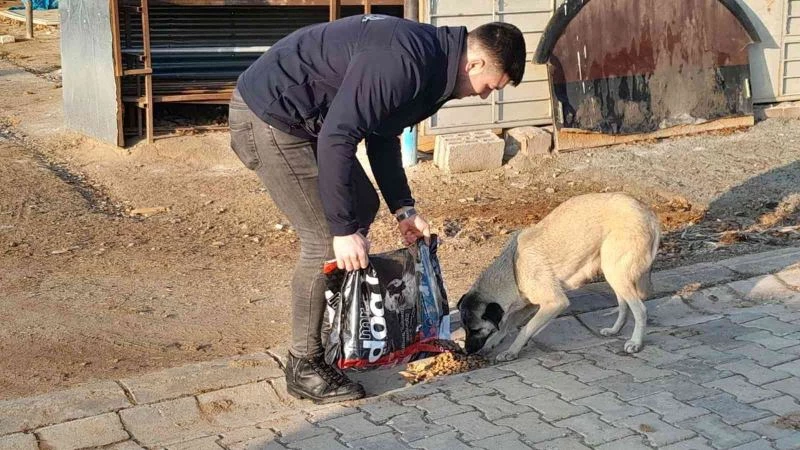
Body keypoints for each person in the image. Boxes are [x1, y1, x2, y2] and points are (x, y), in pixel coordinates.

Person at [228, 13, 526, 404]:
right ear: (475, 63)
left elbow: (382, 135)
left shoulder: (433, 69)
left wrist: (404, 208)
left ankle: (327, 332)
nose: (486, 95)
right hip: (271, 118)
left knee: (361, 205)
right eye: (491, 86)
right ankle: (304, 364)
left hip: (307, 123)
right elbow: (339, 135)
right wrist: (342, 230)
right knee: (324, 240)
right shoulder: (407, 62)